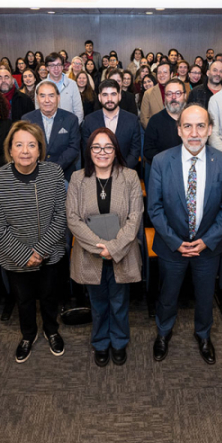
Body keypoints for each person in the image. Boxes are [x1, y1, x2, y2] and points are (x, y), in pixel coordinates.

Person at [147, 104, 222, 364]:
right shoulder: (162, 161)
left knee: (205, 297)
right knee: (168, 296)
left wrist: (206, 241)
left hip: (208, 248)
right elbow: (154, 208)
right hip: (171, 246)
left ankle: (204, 335)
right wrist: (175, 242)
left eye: (200, 126)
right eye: (187, 126)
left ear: (210, 129)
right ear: (179, 130)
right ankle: (163, 332)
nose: (194, 133)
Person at [0, 121, 67, 363]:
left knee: (50, 296)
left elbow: (60, 216)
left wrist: (40, 251)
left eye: (32, 145)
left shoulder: (54, 173)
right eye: (19, 145)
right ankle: (28, 335)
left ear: (40, 149)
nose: (25, 151)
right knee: (24, 300)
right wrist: (24, 255)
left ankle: (51, 330)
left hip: (49, 252)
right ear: (10, 149)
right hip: (15, 255)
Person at [67, 128, 143, 367]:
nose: (102, 152)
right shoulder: (78, 178)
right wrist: (100, 248)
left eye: (108, 147)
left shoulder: (129, 177)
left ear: (115, 150)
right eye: (96, 147)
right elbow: (73, 219)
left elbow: (135, 218)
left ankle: (119, 342)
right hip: (90, 254)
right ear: (89, 151)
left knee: (119, 303)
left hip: (123, 252)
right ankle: (100, 342)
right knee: (98, 305)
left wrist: (114, 247)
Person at [23, 81, 81, 180]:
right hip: (34, 174)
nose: (47, 100)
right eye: (42, 96)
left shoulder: (71, 119)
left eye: (51, 96)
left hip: (63, 174)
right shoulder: (27, 120)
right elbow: (25, 148)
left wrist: (54, 169)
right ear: (37, 98)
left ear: (58, 97)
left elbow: (73, 148)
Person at [82, 79, 142, 171]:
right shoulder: (89, 120)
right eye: (105, 95)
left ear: (119, 96)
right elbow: (87, 151)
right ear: (99, 97)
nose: (109, 99)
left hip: (124, 172)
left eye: (113, 94)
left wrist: (120, 171)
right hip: (97, 172)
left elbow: (135, 152)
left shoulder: (132, 120)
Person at [143, 79, 185, 165]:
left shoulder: (193, 118)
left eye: (178, 93)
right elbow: (148, 151)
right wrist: (170, 161)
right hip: (164, 167)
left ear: (185, 95)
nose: (173, 97)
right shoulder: (155, 121)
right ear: (164, 97)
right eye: (169, 94)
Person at [39, 53, 84, 123]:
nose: (56, 68)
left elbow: (78, 110)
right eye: (52, 65)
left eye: (59, 65)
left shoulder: (72, 84)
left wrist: (74, 127)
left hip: (69, 126)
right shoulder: (40, 86)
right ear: (47, 68)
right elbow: (38, 111)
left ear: (63, 66)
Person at [139, 63, 172, 129]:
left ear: (171, 74)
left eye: (165, 72)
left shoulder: (179, 91)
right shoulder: (148, 93)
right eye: (159, 73)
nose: (162, 75)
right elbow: (144, 118)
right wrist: (154, 131)